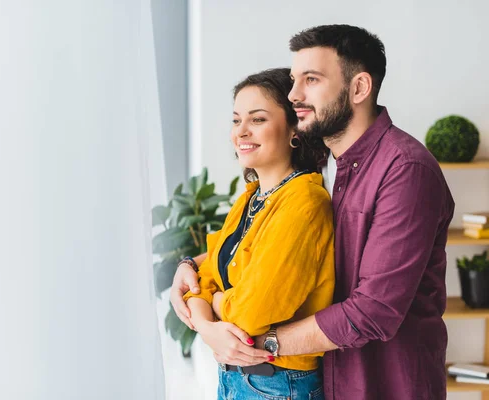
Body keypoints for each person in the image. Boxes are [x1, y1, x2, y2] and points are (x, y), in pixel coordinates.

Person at [171, 25, 455, 400]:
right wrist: (191, 266)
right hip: (330, 381)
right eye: (293, 80)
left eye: (312, 79)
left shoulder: (404, 169)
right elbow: (277, 248)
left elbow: (372, 311)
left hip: (382, 384)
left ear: (359, 88)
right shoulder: (327, 166)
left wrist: (253, 340)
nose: (294, 95)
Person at [182, 67, 334, 400]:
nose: (241, 132)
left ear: (295, 128)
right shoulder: (251, 197)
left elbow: (252, 314)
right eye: (236, 120)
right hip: (239, 378)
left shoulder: (304, 203)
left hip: (279, 384)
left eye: (258, 119)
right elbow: (206, 274)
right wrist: (208, 329)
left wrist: (215, 301)